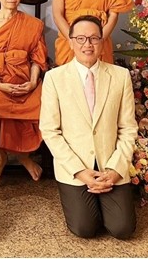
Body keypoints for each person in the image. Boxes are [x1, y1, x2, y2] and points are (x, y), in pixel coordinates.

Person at [40, 15, 138, 239]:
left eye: (94, 38)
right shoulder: (54, 78)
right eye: (81, 38)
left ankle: (107, 195)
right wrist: (80, 171)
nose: (88, 44)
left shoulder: (120, 76)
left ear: (102, 42)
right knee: (85, 229)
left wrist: (115, 170)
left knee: (123, 229)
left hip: (111, 164)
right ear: (70, 41)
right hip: (75, 167)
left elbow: (128, 128)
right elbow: (50, 131)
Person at [0, 0, 48, 183]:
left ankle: (24, 156)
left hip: (26, 79)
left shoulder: (33, 25)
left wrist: (33, 82)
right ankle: (2, 156)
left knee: (43, 104)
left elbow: (38, 59)